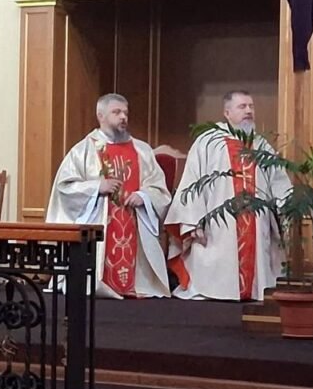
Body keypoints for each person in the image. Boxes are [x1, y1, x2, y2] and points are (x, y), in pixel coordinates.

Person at [167, 90, 292, 301]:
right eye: (242, 107)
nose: (249, 111)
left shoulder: (261, 145)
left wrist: (287, 206)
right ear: (227, 113)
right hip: (219, 224)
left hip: (256, 223)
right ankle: (219, 290)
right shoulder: (208, 142)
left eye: (251, 106)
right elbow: (192, 183)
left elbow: (279, 181)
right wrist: (193, 222)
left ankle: (251, 290)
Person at [46, 93, 171, 299]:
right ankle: (99, 282)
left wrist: (144, 196)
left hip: (134, 221)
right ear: (101, 116)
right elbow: (64, 187)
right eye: (117, 112)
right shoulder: (84, 150)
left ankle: (134, 284)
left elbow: (159, 187)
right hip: (100, 222)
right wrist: (96, 187)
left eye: (125, 113)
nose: (123, 117)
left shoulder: (142, 150)